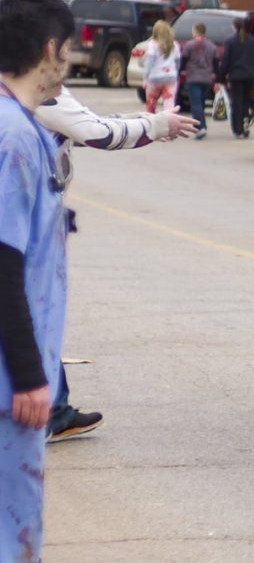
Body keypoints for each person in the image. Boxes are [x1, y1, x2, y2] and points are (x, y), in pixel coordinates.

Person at [36, 87, 197, 442]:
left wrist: (151, 123)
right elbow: (99, 133)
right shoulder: (38, 93)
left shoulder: (21, 91)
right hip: (29, 222)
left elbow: (90, 123)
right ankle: (48, 412)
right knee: (35, 317)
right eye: (62, 52)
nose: (65, 63)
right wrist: (154, 126)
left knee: (36, 317)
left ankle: (56, 409)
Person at [0, 0, 74, 561]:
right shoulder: (16, 140)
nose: (69, 64)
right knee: (14, 533)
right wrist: (27, 376)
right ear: (49, 50)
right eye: (68, 50)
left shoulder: (22, 128)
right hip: (9, 386)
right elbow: (3, 262)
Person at [219, 18, 254, 138]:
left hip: (236, 76)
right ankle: (244, 126)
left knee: (236, 103)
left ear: (234, 27)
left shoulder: (230, 41)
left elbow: (226, 60)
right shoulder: (252, 41)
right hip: (249, 75)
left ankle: (238, 129)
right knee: (246, 102)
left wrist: (221, 77)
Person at [180, 22, 218, 139]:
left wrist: (181, 71)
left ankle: (201, 127)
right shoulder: (212, 46)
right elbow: (215, 63)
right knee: (201, 103)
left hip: (193, 77)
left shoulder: (189, 45)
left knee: (195, 104)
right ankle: (198, 127)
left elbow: (184, 60)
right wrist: (215, 76)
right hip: (206, 78)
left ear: (195, 31)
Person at [143, 19, 181, 113]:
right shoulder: (175, 45)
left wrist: (145, 78)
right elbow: (178, 62)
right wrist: (176, 73)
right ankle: (168, 125)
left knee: (151, 105)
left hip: (155, 77)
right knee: (169, 104)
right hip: (170, 77)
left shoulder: (152, 44)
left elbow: (149, 63)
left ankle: (151, 124)